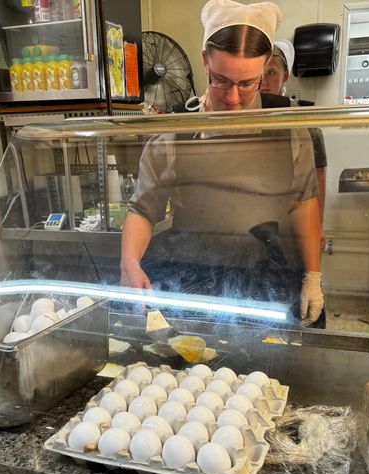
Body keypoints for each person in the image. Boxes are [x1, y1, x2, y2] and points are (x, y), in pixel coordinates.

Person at [120, 0, 324, 326]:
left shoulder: (287, 129)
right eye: (221, 80)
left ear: (265, 69)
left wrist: (313, 275)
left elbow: (305, 204)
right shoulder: (175, 133)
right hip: (194, 281)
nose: (232, 97)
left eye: (247, 83)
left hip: (269, 280)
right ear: (204, 60)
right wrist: (129, 263)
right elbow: (144, 210)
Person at [260, 40, 328, 252]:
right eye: (259, 73)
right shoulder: (244, 117)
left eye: (271, 72)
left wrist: (319, 226)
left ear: (286, 75)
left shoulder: (302, 123)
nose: (264, 80)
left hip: (292, 221)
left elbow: (317, 179)